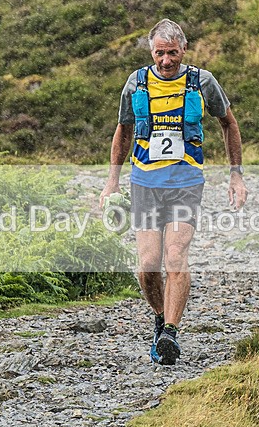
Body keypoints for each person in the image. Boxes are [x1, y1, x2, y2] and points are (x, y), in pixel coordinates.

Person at [100, 18, 247, 365]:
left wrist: (236, 176)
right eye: (159, 53)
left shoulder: (202, 82)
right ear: (152, 52)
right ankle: (160, 315)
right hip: (145, 185)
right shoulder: (135, 83)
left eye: (172, 53)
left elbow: (229, 124)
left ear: (184, 49)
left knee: (176, 256)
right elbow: (122, 131)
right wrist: (112, 180)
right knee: (148, 265)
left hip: (186, 184)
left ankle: (170, 333)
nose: (166, 61)